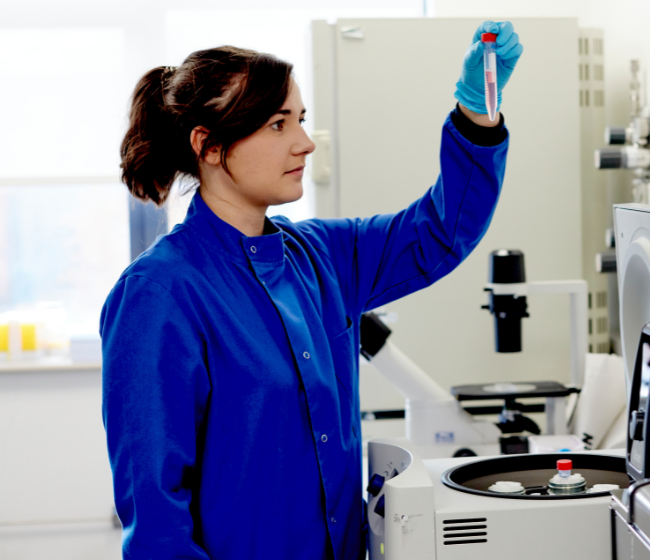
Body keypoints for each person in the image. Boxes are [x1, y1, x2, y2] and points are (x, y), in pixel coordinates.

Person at [101, 20, 523, 560]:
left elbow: (440, 230)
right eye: (278, 125)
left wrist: (476, 113)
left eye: (300, 120)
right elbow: (157, 518)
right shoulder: (159, 293)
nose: (304, 143)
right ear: (207, 145)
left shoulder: (322, 255)